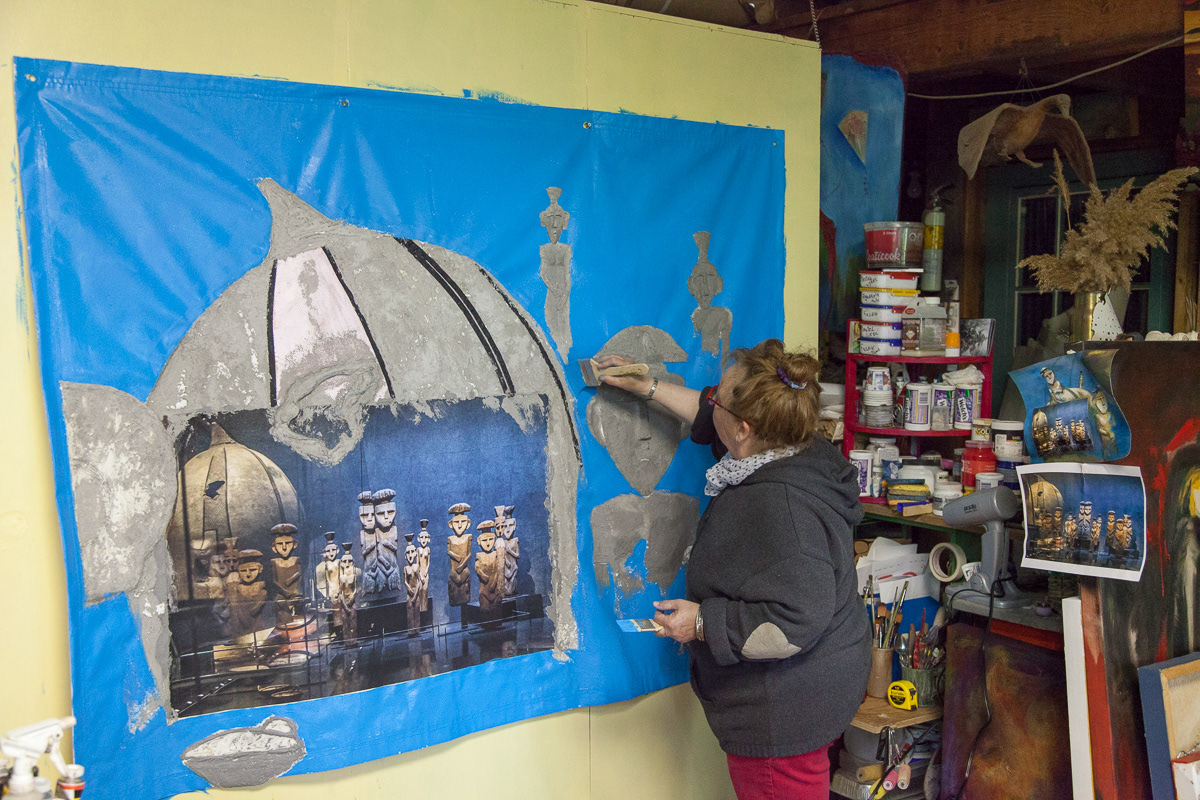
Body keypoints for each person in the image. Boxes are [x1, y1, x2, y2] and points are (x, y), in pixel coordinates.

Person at [598, 339, 871, 800]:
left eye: (718, 397)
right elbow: (713, 415)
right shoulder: (797, 446)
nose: (710, 400)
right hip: (818, 687)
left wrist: (702, 622)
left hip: (784, 715)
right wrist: (647, 386)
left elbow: (795, 621)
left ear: (744, 428)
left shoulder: (780, 505)